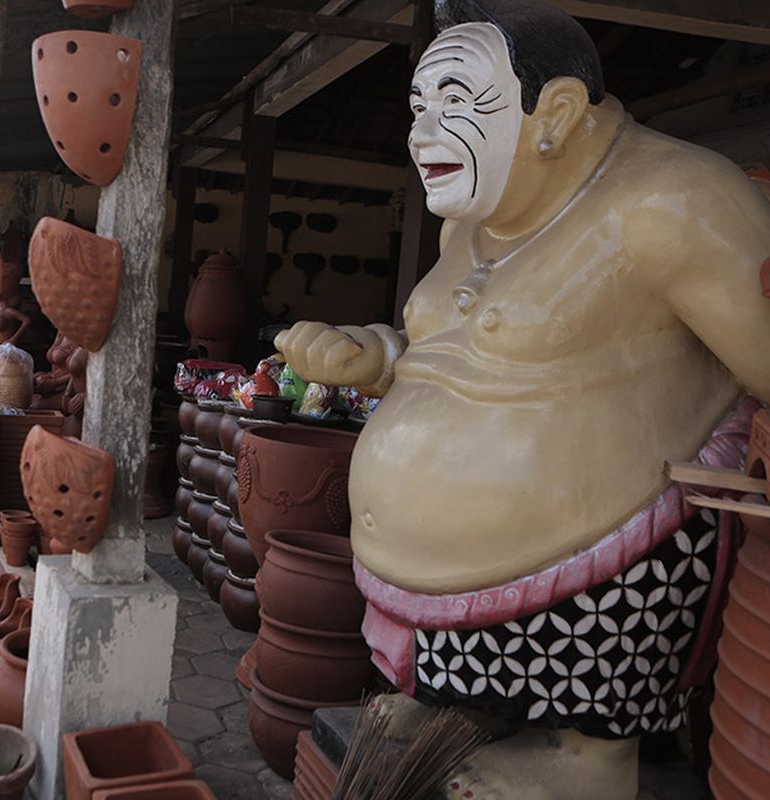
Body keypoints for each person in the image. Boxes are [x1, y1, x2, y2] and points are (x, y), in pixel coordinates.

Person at [275, 0, 770, 797]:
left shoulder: (675, 202)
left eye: (459, 104)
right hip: (431, 572)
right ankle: (459, 697)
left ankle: (590, 755)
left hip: (606, 561)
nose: (422, 132)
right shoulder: (475, 216)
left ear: (559, 113)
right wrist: (378, 356)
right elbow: (455, 353)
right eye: (419, 107)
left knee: (588, 695)